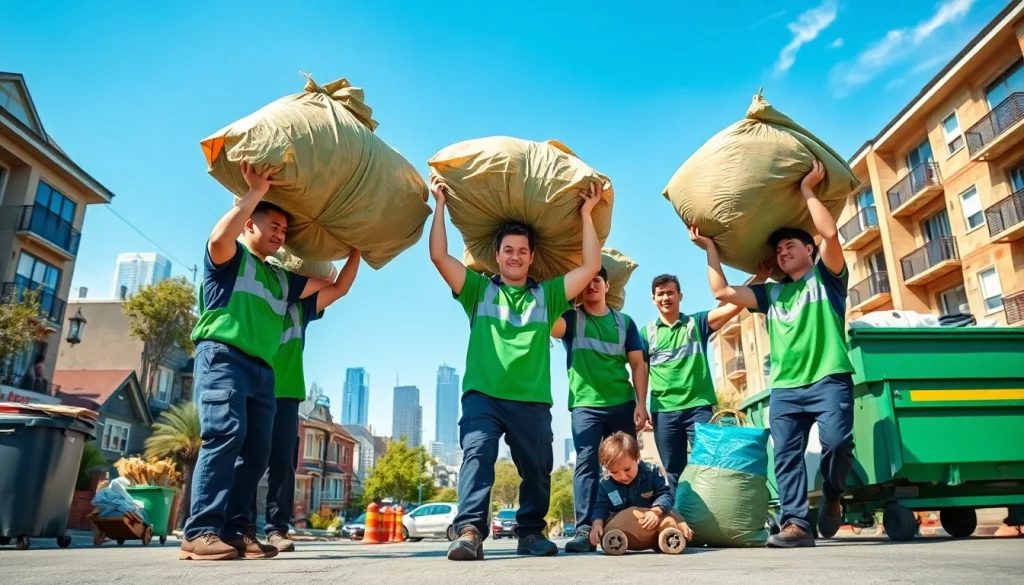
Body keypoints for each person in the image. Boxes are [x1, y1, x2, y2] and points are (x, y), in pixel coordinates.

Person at [428, 175, 603, 561]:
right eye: (508, 250)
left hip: (531, 399)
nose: (515, 256)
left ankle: (530, 533)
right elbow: (439, 256)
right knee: (477, 453)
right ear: (497, 255)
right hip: (483, 396)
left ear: (531, 257)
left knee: (538, 468)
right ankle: (470, 531)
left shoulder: (549, 295)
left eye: (522, 251)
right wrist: (439, 204)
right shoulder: (477, 290)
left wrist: (587, 214)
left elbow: (591, 265)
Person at [690, 160, 856, 548]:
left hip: (829, 379)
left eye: (790, 245)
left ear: (809, 249)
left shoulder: (828, 279)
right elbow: (722, 292)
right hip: (785, 388)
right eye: (778, 249)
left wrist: (807, 189)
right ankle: (796, 524)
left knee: (837, 445)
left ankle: (833, 495)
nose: (782, 252)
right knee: (786, 455)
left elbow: (830, 234)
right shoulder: (772, 294)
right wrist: (710, 249)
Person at [180, 161, 327, 561]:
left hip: (263, 370)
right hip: (223, 357)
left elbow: (327, 281)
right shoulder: (230, 259)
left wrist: (340, 240)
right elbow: (218, 238)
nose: (280, 234)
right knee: (225, 435)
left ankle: (235, 530)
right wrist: (256, 192)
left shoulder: (281, 278)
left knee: (258, 452)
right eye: (273, 226)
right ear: (248, 225)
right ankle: (200, 532)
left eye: (285, 230)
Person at [250, 250, 362, 553]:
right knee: (249, 458)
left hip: (287, 393)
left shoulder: (302, 307)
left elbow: (338, 286)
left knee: (283, 462)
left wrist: (356, 251)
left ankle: (277, 529)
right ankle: (243, 528)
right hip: (253, 386)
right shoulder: (257, 299)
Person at [550, 266, 648, 553]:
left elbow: (638, 364)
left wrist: (642, 403)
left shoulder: (624, 323)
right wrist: (559, 292)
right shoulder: (571, 318)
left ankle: (632, 521)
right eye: (586, 282)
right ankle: (584, 530)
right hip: (586, 405)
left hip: (622, 403)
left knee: (628, 463)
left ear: (607, 286)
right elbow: (548, 324)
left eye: (597, 280)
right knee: (586, 463)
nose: (591, 286)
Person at [644, 270, 765, 494]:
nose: (665, 298)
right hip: (664, 411)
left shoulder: (696, 323)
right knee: (673, 470)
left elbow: (734, 306)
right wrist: (640, 406)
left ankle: (709, 511)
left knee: (709, 463)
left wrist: (761, 277)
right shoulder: (646, 334)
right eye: (660, 294)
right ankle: (679, 512)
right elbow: (639, 371)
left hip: (698, 407)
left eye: (670, 293)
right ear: (653, 299)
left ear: (680, 296)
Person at [589, 431, 692, 547]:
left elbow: (666, 495)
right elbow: (601, 506)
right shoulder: (606, 483)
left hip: (652, 518)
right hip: (624, 527)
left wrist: (656, 511)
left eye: (627, 469)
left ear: (638, 457)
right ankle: (616, 541)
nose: (623, 476)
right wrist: (597, 524)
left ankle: (671, 534)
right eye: (614, 472)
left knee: (671, 515)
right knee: (609, 527)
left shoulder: (651, 473)